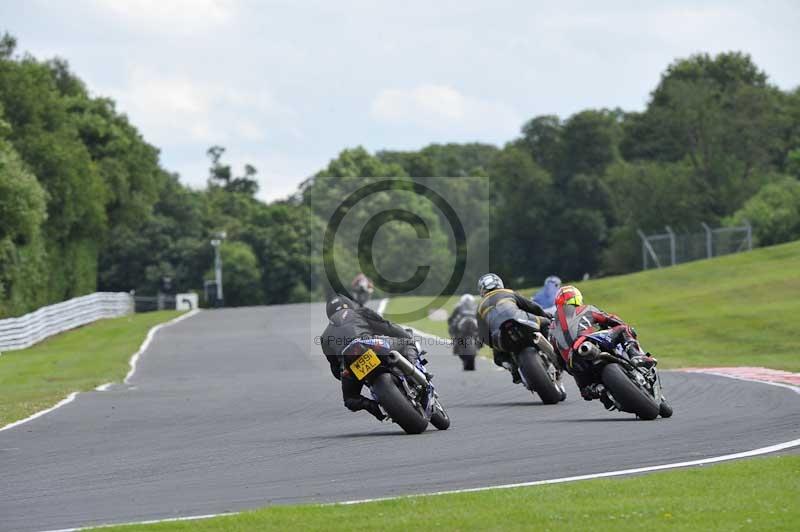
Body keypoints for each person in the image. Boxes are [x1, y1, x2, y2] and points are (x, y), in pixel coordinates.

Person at [549, 285, 656, 405]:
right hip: (589, 342)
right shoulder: (586, 309)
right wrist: (621, 325)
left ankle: (600, 392)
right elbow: (611, 319)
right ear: (576, 299)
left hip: (574, 363)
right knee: (623, 329)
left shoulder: (552, 328)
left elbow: (558, 358)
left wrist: (572, 369)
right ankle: (636, 355)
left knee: (587, 391)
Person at [319, 294, 418, 420]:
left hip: (349, 361)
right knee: (407, 342)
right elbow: (387, 327)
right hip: (371, 346)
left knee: (350, 399)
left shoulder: (324, 337)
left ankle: (372, 406)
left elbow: (335, 368)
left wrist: (347, 376)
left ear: (329, 313)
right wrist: (406, 335)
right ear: (349, 304)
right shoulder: (360, 312)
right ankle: (413, 373)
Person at [475, 273, 552, 383]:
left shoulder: (479, 306)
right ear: (499, 283)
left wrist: (493, 345)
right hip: (522, 321)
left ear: (482, 290)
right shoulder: (508, 292)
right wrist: (545, 315)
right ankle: (554, 349)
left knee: (498, 358)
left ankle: (513, 369)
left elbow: (482, 335)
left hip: (500, 335)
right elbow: (532, 306)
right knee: (546, 322)